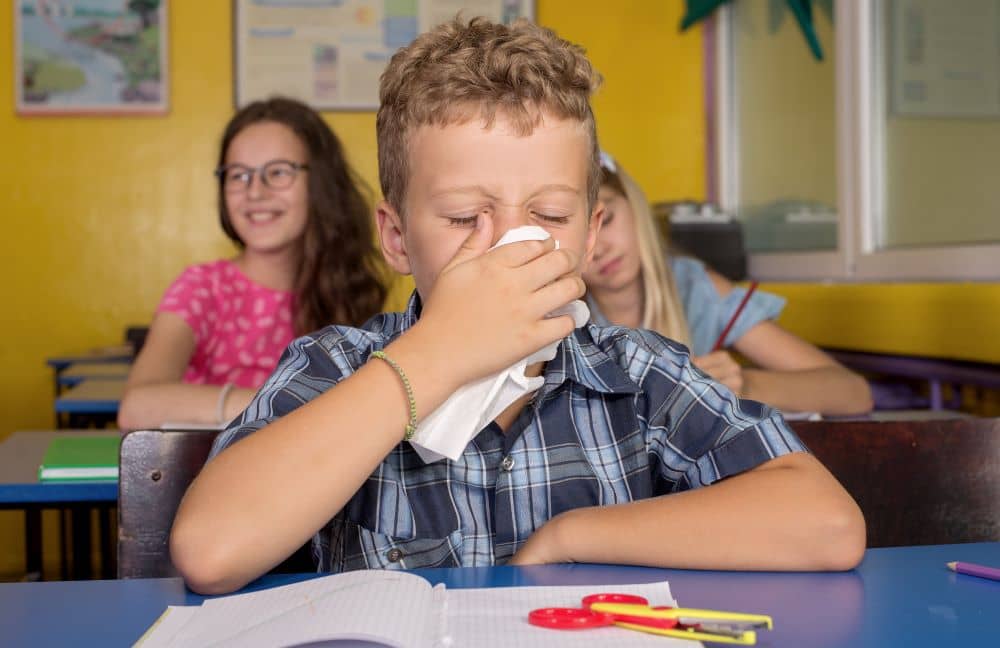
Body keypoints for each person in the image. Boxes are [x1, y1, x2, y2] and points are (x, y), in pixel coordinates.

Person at [170, 17, 865, 595]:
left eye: (549, 214)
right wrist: (440, 353)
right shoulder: (336, 365)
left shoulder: (639, 377)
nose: (507, 247)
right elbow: (210, 548)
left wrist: (573, 535)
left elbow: (828, 525)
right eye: (465, 215)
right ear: (396, 237)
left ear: (591, 239)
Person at [118, 98, 387, 430]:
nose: (255, 192)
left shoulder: (351, 289)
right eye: (238, 175)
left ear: (320, 183)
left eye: (277, 172)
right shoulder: (201, 288)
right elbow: (137, 406)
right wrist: (286, 402)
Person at [583, 154, 873, 415]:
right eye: (579, 238)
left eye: (605, 220)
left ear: (636, 207)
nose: (598, 249)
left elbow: (854, 393)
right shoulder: (561, 311)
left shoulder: (697, 289)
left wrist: (746, 385)